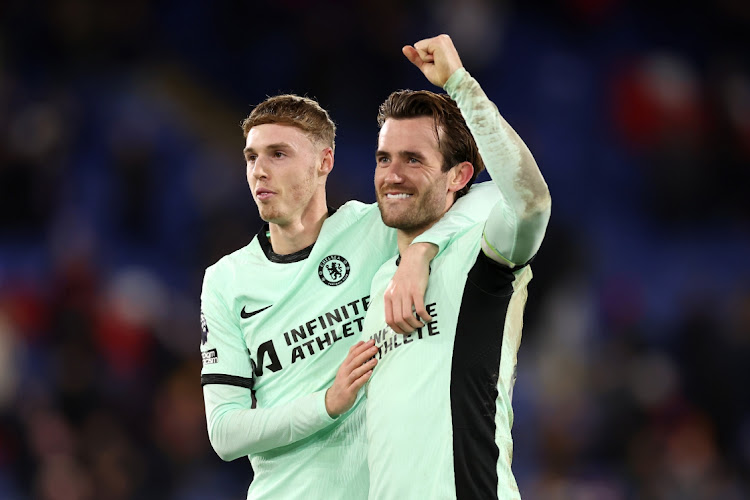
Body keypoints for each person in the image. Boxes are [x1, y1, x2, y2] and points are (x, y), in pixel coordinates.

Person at [199, 92, 498, 499]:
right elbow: (225, 432)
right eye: (252, 157)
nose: (259, 172)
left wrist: (420, 254)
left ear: (324, 161)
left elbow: (490, 196)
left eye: (278, 154)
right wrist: (326, 403)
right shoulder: (226, 281)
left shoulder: (376, 229)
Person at [360, 34, 552, 499]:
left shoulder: (482, 254)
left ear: (460, 177)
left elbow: (529, 202)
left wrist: (460, 85)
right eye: (384, 158)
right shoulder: (382, 278)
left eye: (413, 159)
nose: (392, 174)